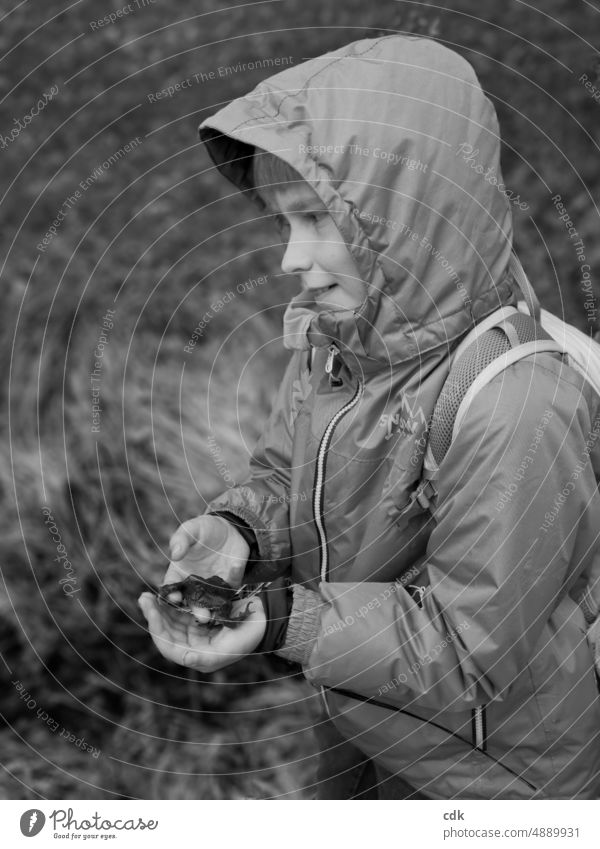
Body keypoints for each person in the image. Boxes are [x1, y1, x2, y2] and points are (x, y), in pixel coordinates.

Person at [138, 34, 600, 799]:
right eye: (283, 220)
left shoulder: (519, 405)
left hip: (490, 775)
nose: (290, 256)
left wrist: (286, 622)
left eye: (319, 218)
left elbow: (467, 649)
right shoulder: (344, 348)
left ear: (412, 218)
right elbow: (295, 474)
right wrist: (241, 533)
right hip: (367, 714)